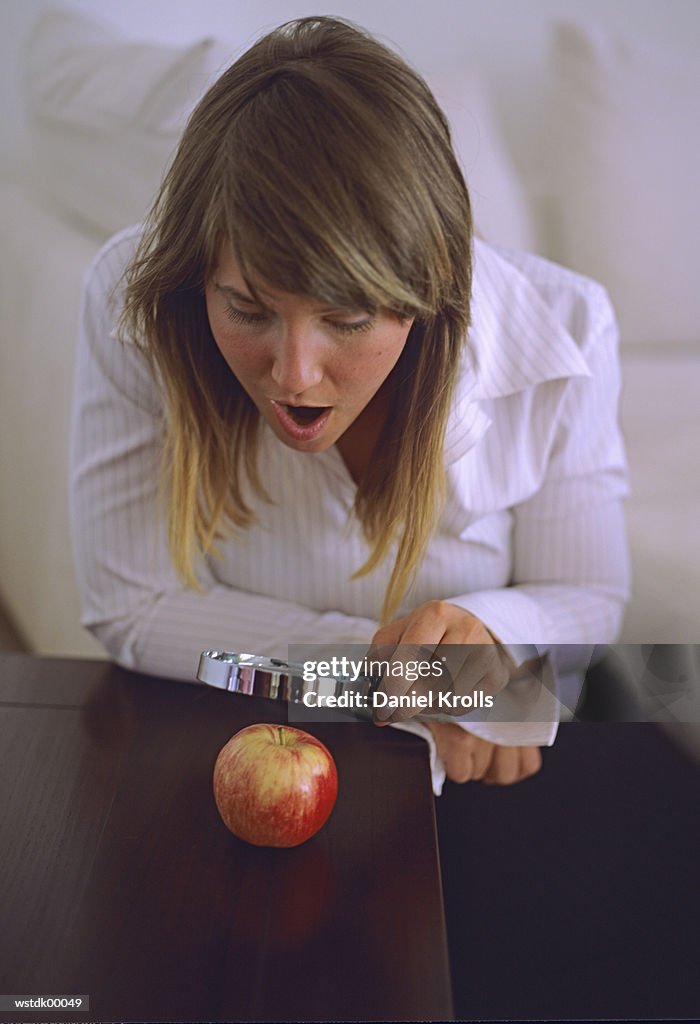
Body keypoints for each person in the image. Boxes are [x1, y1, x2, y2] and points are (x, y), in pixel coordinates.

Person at [70, 16, 630, 789]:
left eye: (348, 320)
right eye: (247, 307)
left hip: (475, 781)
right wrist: (401, 683)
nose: (294, 376)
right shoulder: (130, 303)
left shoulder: (569, 327)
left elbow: (593, 597)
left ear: (426, 292)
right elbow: (132, 609)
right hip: (221, 753)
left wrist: (496, 638)